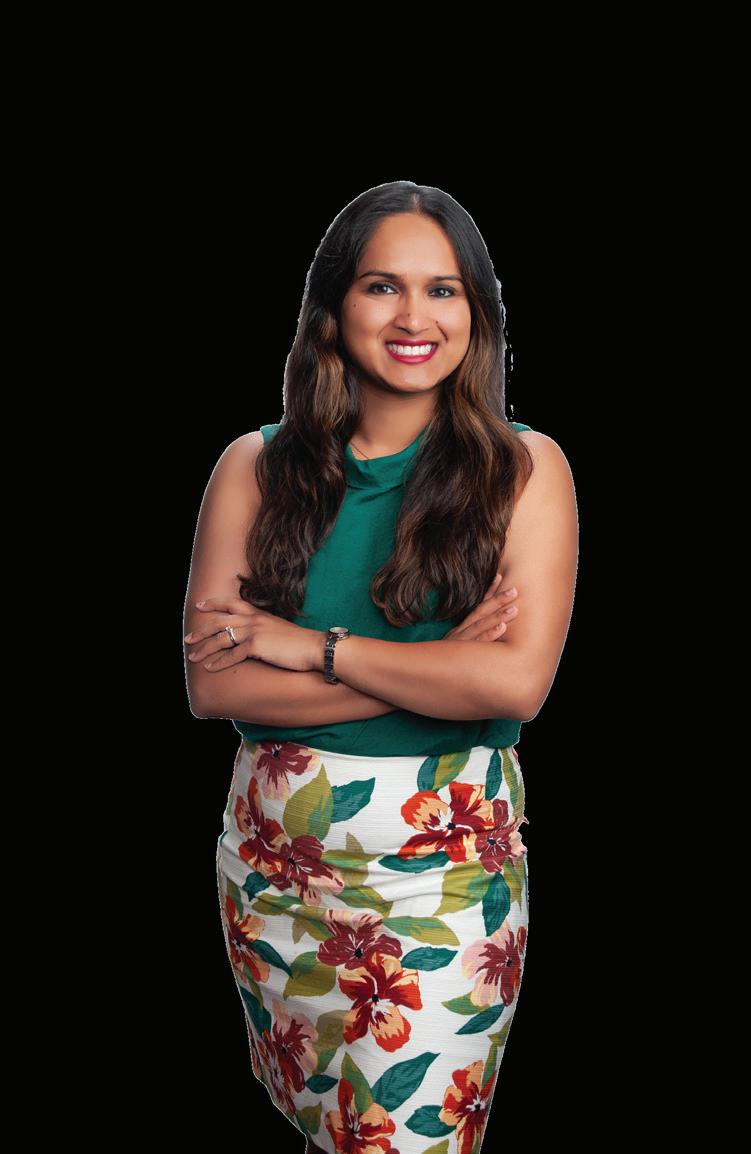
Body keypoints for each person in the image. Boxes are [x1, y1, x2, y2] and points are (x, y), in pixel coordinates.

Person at [183, 181, 578, 1154]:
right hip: (274, 879)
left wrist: (309, 646)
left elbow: (511, 686)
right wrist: (435, 666)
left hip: (439, 882)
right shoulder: (251, 468)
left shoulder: (525, 470)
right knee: (323, 1132)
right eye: (381, 286)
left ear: (476, 314)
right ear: (333, 305)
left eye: (442, 290)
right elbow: (215, 686)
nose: (413, 317)